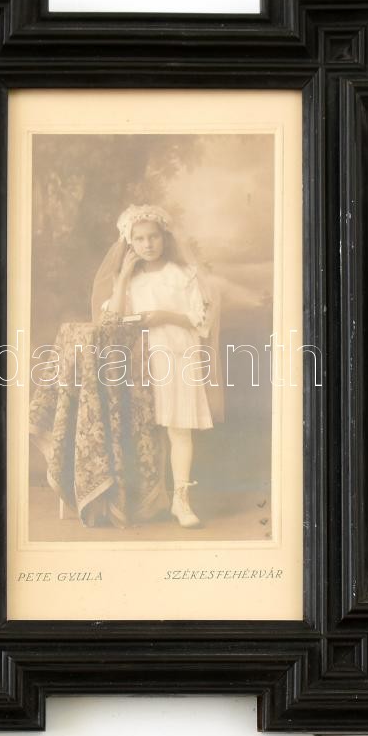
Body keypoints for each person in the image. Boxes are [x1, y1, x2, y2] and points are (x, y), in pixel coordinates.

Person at [91, 204, 224, 528]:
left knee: (179, 429)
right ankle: (147, 499)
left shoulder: (184, 274)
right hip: (141, 360)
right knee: (143, 431)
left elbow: (202, 319)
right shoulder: (130, 280)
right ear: (129, 243)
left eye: (153, 237)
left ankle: (181, 501)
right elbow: (113, 318)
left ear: (165, 237)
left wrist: (166, 317)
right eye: (139, 239)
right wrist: (124, 277)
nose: (147, 244)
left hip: (177, 354)